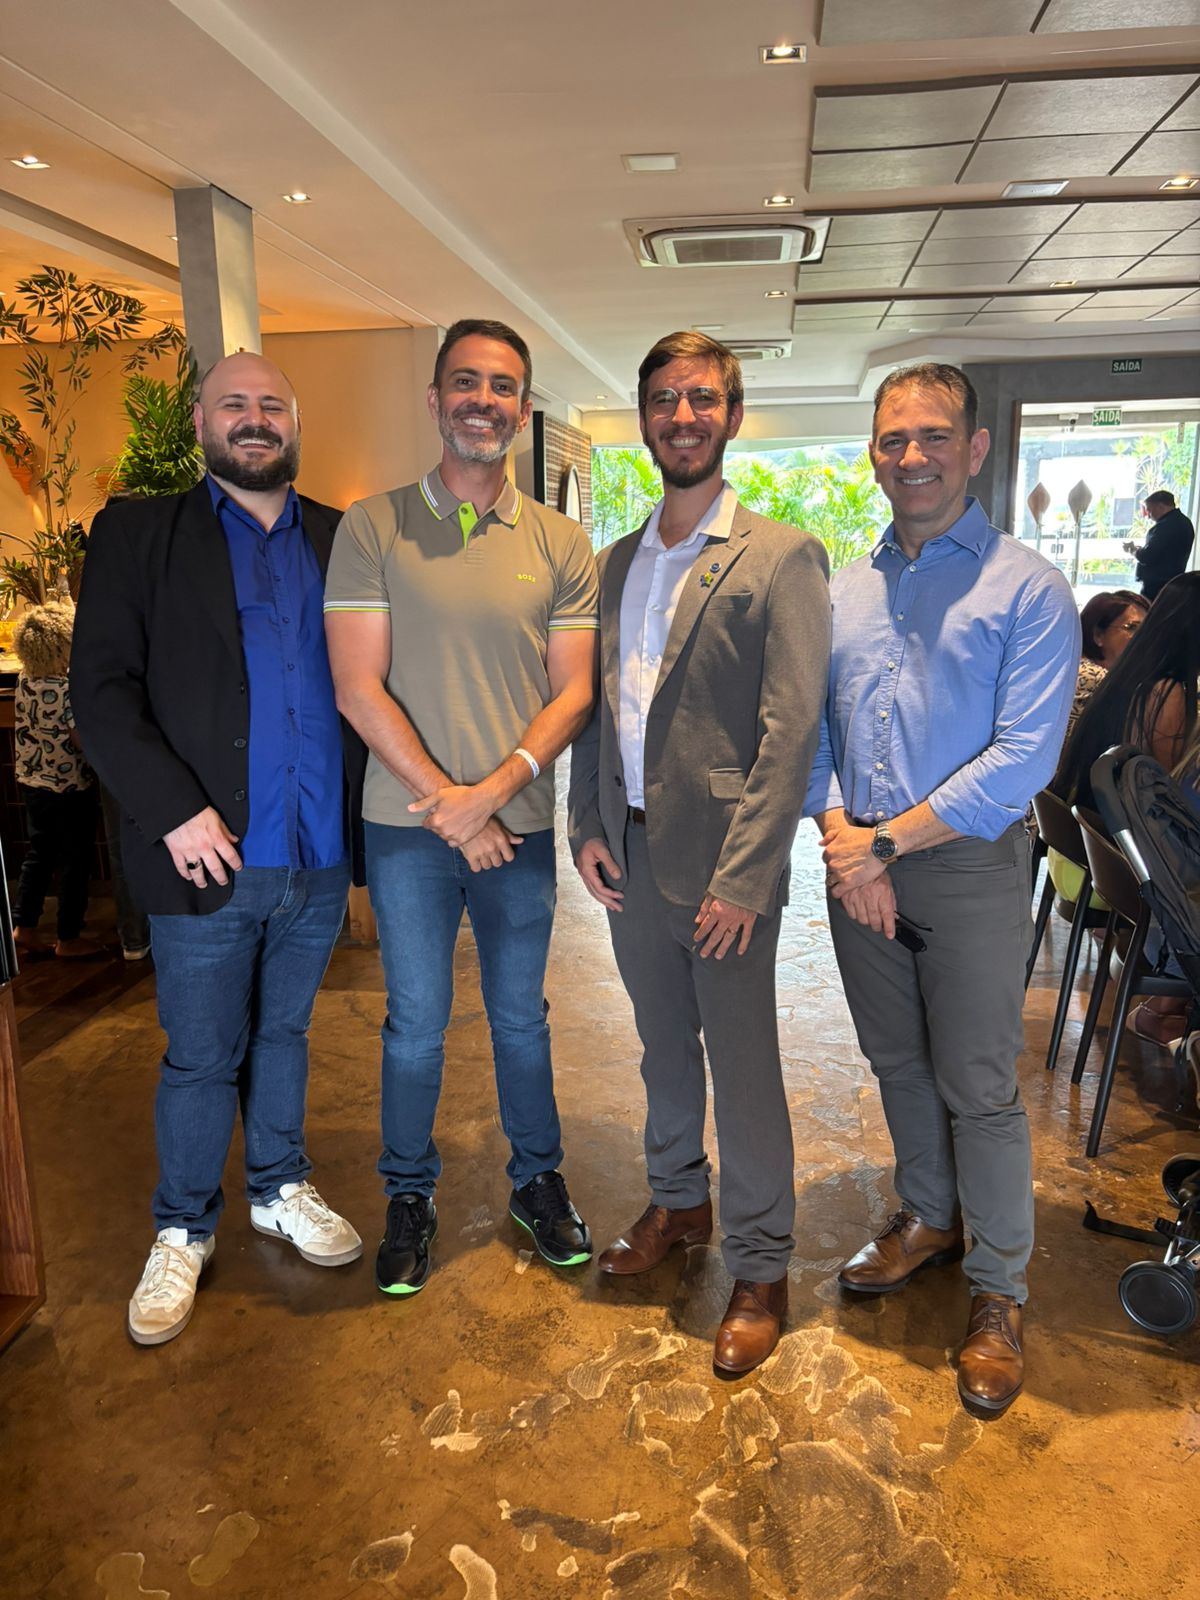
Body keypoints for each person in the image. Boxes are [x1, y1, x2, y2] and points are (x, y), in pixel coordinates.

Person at [71, 351, 364, 1347]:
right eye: (234, 403)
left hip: (316, 852)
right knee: (200, 1057)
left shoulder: (339, 536)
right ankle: (183, 1226)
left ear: (294, 422)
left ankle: (278, 1187)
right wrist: (172, 810)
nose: (255, 418)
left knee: (284, 1035)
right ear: (202, 421)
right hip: (205, 854)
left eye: (272, 404)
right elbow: (100, 691)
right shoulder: (138, 534)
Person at [806, 362, 1078, 1417]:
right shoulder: (844, 589)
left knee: (978, 1082)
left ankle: (1000, 1290)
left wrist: (884, 846)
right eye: (893, 438)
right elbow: (815, 730)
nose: (911, 455)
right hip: (857, 858)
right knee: (895, 1060)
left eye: (933, 436)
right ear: (873, 453)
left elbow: (1023, 759)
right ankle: (928, 1214)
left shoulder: (1028, 589)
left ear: (975, 448)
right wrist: (845, 839)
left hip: (963, 866)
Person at [568, 330, 831, 1376]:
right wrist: (586, 823)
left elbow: (790, 731)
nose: (683, 417)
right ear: (644, 418)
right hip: (629, 858)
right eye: (666, 400)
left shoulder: (781, 556)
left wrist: (747, 877)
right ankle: (680, 1201)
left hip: (726, 870)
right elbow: (599, 709)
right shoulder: (616, 563)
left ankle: (762, 1266)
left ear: (733, 414)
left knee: (745, 1067)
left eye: (703, 399)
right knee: (660, 1049)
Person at [324, 318, 599, 1297]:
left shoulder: (561, 541)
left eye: (504, 386)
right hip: (406, 832)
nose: (485, 400)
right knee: (415, 1020)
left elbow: (574, 692)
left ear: (522, 410)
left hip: (516, 828)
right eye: (467, 382)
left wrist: (492, 795)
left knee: (521, 1017)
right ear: (436, 398)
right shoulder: (373, 526)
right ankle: (408, 1195)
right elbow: (357, 686)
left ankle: (537, 1181)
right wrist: (451, 806)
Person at [1052, 571, 1200, 1045]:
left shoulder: (1128, 680)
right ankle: (1167, 1009)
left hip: (1092, 860)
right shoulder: (1167, 694)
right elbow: (1169, 804)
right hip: (1126, 876)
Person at [11, 600, 100, 960]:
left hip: (33, 784)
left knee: (40, 854)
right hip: (69, 787)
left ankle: (24, 927)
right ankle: (68, 937)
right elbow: (79, 739)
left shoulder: (24, 680)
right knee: (75, 861)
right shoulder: (67, 689)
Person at [1068, 589, 1148, 738]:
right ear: (1098, 634)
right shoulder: (1094, 677)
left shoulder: (1076, 667)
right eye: (1132, 627)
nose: (1143, 638)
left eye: (1147, 630)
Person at [1124, 490, 1195, 601]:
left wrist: (1132, 550)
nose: (1148, 516)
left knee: (1149, 611)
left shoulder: (1165, 526)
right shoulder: (1185, 522)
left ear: (1160, 507)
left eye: (1149, 510)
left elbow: (1147, 556)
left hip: (1156, 586)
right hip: (1173, 583)